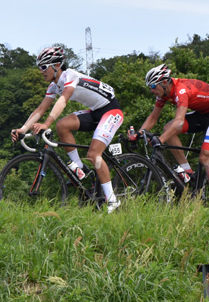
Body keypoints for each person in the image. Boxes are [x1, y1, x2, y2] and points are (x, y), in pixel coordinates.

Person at [11, 46, 125, 213]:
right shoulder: (54, 85)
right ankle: (79, 168)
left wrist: (46, 124)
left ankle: (113, 201)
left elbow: (63, 101)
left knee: (94, 155)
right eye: (39, 67)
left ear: (57, 65)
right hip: (95, 112)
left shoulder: (69, 76)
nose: (41, 71)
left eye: (44, 67)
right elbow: (40, 109)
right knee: (62, 125)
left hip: (110, 111)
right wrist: (22, 129)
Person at [138, 64, 209, 204]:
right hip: (201, 113)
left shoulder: (181, 90)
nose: (151, 91)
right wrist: (139, 133)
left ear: (163, 82)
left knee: (205, 158)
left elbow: (179, 122)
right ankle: (188, 172)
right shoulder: (164, 92)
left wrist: (160, 140)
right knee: (168, 128)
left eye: (152, 86)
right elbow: (153, 117)